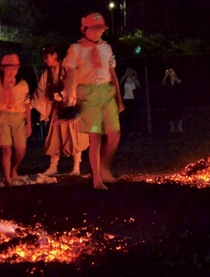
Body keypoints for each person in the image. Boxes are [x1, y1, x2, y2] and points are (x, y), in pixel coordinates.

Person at [62, 12, 124, 190]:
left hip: (106, 92)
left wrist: (119, 98)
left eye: (101, 29)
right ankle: (97, 178)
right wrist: (67, 99)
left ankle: (103, 166)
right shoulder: (76, 49)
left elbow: (112, 73)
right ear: (85, 29)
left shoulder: (107, 48)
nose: (98, 33)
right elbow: (70, 74)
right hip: (87, 94)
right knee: (95, 136)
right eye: (95, 29)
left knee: (114, 133)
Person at [31, 44, 89, 177]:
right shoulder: (48, 73)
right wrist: (31, 104)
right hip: (58, 110)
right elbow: (41, 90)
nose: (45, 60)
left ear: (55, 55)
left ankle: (76, 167)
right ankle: (53, 166)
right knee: (55, 137)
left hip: (71, 108)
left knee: (74, 136)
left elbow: (74, 82)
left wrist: (63, 94)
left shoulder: (68, 67)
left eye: (47, 57)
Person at [0, 53, 32, 186]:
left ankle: (14, 168)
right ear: (3, 68)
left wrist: (29, 123)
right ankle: (7, 179)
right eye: (8, 67)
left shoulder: (23, 84)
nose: (11, 70)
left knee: (21, 149)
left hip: (18, 116)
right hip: (2, 116)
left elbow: (27, 104)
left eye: (14, 67)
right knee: (7, 148)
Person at [161, 68, 184, 133]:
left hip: (177, 100)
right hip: (170, 101)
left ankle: (179, 127)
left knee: (179, 114)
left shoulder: (177, 81)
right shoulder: (168, 83)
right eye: (171, 76)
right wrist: (166, 75)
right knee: (170, 114)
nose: (172, 77)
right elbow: (163, 83)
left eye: (173, 76)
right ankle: (172, 127)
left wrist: (175, 76)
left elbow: (179, 83)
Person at [120, 67, 141, 135]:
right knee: (128, 116)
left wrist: (134, 76)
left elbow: (138, 85)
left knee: (135, 115)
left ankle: (137, 130)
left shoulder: (133, 79)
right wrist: (126, 74)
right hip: (127, 99)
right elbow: (120, 81)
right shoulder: (125, 79)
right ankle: (130, 131)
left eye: (130, 71)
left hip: (133, 99)